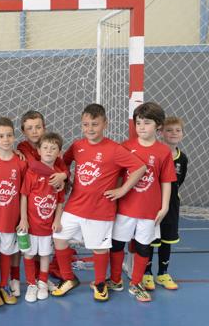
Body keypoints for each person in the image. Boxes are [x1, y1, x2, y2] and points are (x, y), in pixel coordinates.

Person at [51, 103, 146, 302]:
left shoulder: (114, 149)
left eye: (94, 124)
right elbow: (64, 163)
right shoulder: (78, 145)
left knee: (99, 248)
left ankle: (100, 283)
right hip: (75, 206)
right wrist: (64, 177)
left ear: (105, 124)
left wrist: (122, 190)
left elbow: (139, 167)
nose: (90, 129)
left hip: (100, 210)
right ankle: (68, 278)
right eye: (85, 124)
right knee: (58, 238)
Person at [109, 102, 177, 302]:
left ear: (158, 126)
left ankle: (136, 283)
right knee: (117, 244)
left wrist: (164, 207)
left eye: (146, 123)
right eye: (138, 123)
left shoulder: (163, 152)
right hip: (126, 208)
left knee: (143, 247)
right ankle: (115, 280)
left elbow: (166, 181)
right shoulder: (126, 146)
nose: (141, 127)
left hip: (149, 210)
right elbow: (118, 176)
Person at [17, 132, 66, 303]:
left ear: (59, 153)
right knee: (29, 255)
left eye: (53, 148)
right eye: (45, 147)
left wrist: (57, 219)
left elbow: (60, 201)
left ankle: (43, 282)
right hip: (31, 225)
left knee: (45, 255)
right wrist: (23, 219)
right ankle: (31, 283)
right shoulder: (32, 173)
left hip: (47, 226)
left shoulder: (59, 176)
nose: (49, 151)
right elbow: (24, 196)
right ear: (38, 151)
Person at [0, 117, 27, 306]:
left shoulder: (21, 163)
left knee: (7, 253)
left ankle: (4, 285)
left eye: (9, 135)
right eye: (1, 136)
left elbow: (24, 193)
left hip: (11, 220)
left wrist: (23, 218)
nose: (6, 139)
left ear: (14, 137)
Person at [144, 116, 188, 290]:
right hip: (152, 203)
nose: (173, 133)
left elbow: (179, 180)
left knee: (166, 240)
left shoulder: (182, 159)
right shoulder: (156, 153)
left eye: (178, 130)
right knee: (149, 238)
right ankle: (146, 274)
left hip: (171, 205)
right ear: (161, 132)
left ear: (183, 134)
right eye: (169, 130)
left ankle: (163, 273)